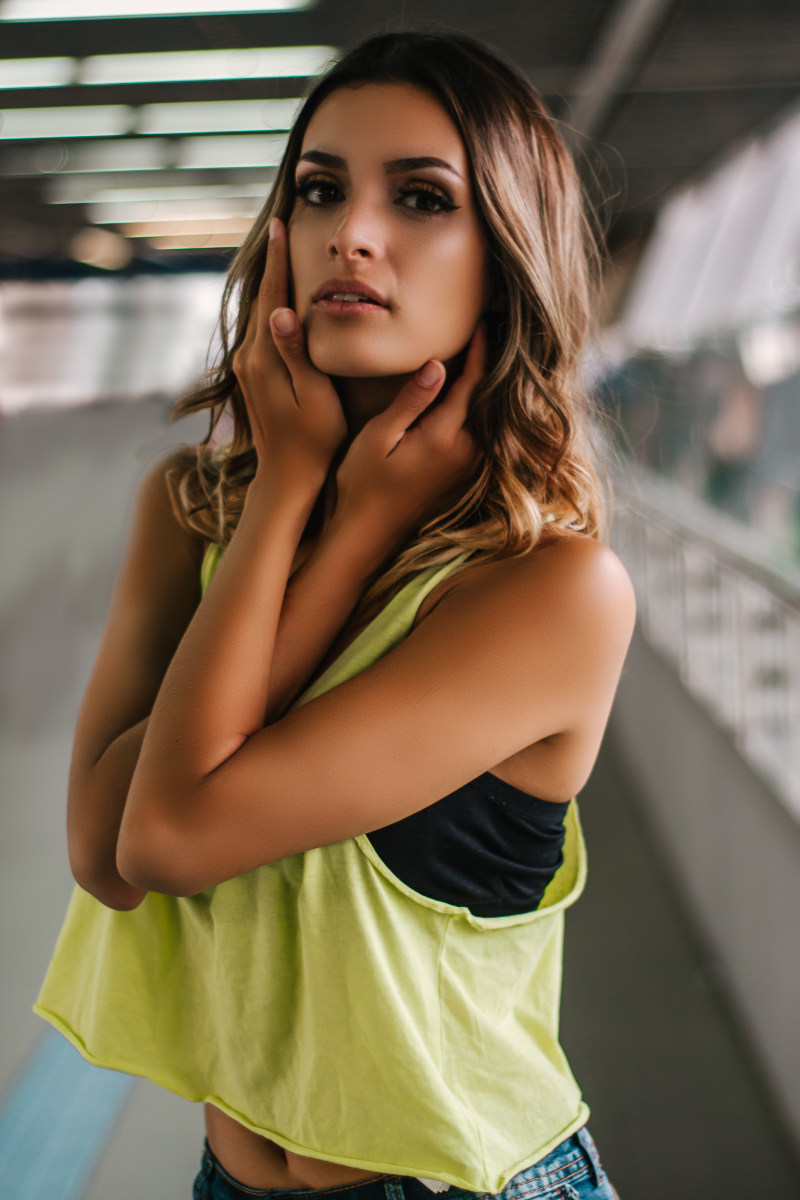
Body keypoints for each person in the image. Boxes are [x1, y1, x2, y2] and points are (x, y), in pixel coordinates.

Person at [35, 31, 634, 1200]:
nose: (349, 234)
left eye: (419, 198)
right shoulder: (194, 512)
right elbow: (105, 852)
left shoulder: (546, 589)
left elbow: (171, 835)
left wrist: (349, 524)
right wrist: (304, 499)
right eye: (317, 191)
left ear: (502, 256)